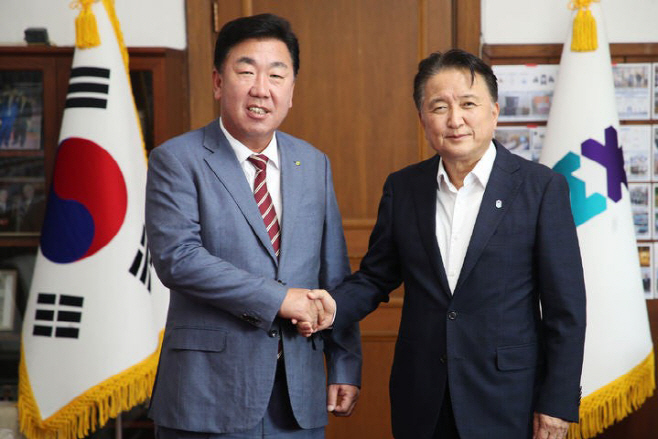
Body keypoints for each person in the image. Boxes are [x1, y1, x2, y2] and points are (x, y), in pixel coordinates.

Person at [303, 49, 586, 439]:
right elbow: (375, 277)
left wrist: (556, 402)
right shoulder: (404, 188)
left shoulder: (540, 188)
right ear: (423, 118)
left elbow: (565, 309)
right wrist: (331, 306)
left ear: (494, 112)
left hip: (508, 398)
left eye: (468, 104)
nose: (455, 119)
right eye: (439, 107)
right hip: (422, 397)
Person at [145, 13, 362, 439]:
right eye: (246, 72)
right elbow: (179, 260)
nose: (261, 88)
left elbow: (334, 273)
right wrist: (281, 299)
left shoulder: (313, 163)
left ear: (291, 90)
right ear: (218, 82)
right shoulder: (177, 159)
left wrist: (344, 363)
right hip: (207, 393)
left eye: (277, 75)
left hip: (298, 396)